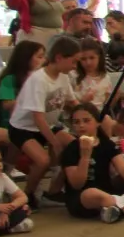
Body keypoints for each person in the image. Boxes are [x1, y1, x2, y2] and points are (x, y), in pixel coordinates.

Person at [10, 35, 81, 205]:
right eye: (73, 61)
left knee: (75, 149)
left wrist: (88, 115)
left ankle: (54, 191)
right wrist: (54, 142)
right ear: (59, 58)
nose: (75, 66)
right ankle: (28, 194)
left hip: (48, 125)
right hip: (24, 128)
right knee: (43, 161)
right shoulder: (39, 80)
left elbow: (73, 103)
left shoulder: (63, 77)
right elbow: (38, 117)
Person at [57, 103, 124, 222]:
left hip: (108, 190)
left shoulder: (107, 144)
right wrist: (85, 156)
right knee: (96, 194)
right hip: (83, 197)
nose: (81, 125)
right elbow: (77, 184)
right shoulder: (71, 149)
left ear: (97, 122)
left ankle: (119, 211)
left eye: (86, 121)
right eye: (76, 122)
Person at [0, 40, 44, 129]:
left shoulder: (40, 77)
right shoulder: (9, 79)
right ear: (26, 58)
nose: (44, 60)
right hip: (14, 125)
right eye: (40, 57)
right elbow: (7, 105)